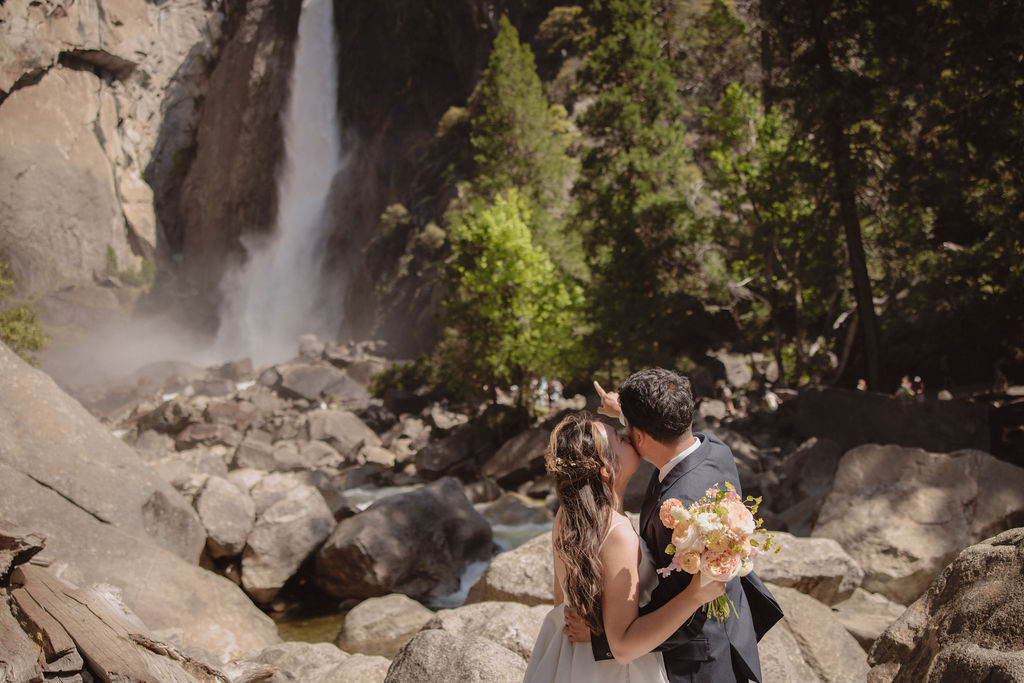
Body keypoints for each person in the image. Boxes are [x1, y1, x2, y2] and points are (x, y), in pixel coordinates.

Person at [575, 369, 782, 682]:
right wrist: (626, 413)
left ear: (640, 435)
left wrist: (599, 637)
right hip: (732, 630)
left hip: (698, 662)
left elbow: (687, 611)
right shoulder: (714, 449)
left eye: (628, 429)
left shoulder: (680, 510)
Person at [524, 412, 727, 682]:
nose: (629, 436)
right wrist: (696, 595)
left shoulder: (567, 515)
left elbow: (563, 604)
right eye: (621, 439)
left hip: (572, 660)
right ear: (606, 469)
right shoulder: (617, 533)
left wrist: (597, 624)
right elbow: (623, 647)